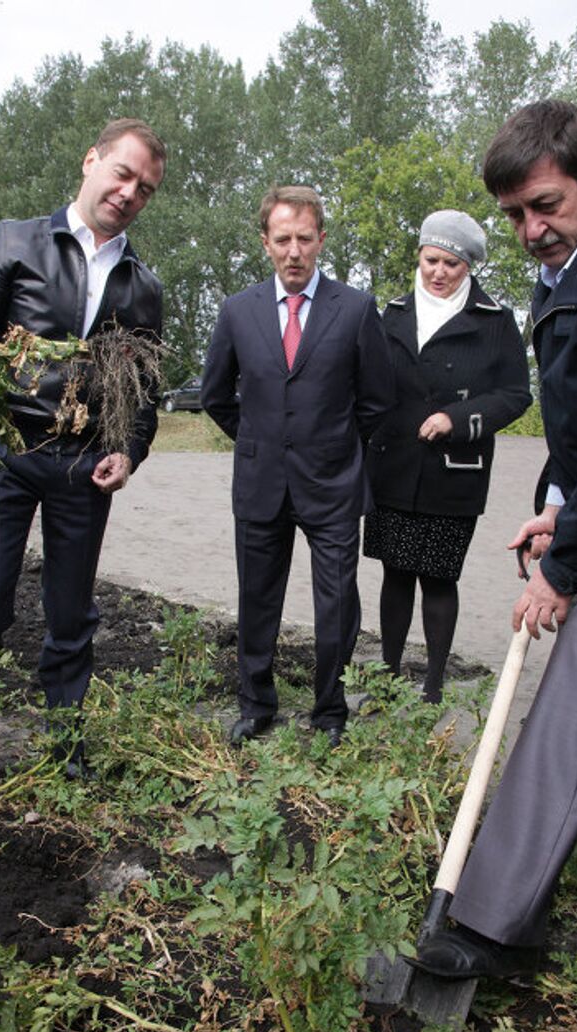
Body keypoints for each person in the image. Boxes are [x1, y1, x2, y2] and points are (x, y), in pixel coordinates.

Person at [410, 100, 577, 982]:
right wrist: (563, 505)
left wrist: (563, 569)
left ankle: (485, 927)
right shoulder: (565, 259)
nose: (530, 229)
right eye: (515, 214)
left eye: (546, 205)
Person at [0, 118, 166, 786]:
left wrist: (130, 452)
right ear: (91, 161)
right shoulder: (15, 240)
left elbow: (142, 393)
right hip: (4, 451)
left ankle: (65, 749)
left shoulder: (142, 287)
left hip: (82, 468)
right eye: (122, 173)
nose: (129, 192)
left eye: (144, 188)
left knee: (70, 613)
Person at [201, 185, 392, 747]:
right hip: (260, 482)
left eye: (304, 239)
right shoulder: (238, 311)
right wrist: (260, 440)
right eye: (282, 239)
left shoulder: (355, 309)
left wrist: (333, 444)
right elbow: (215, 396)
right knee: (257, 598)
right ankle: (255, 704)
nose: (293, 251)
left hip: (332, 484)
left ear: (320, 241)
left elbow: (378, 400)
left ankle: (330, 710)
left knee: (336, 604)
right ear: (265, 243)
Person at [363, 211, 531, 703]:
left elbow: (516, 395)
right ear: (419, 255)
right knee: (395, 573)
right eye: (431, 259)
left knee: (437, 579)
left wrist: (457, 419)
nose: (438, 271)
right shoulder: (391, 312)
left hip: (452, 473)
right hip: (392, 466)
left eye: (452, 263)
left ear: (469, 266)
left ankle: (433, 685)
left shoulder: (496, 320)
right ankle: (388, 677)